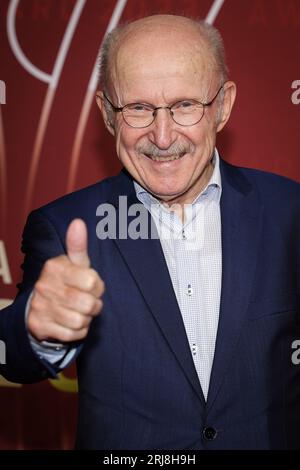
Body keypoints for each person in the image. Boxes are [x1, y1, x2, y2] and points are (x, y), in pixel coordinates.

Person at [1, 14, 300, 450]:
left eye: (184, 105)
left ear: (222, 106)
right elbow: (15, 358)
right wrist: (35, 327)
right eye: (138, 108)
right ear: (107, 113)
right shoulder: (65, 227)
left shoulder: (289, 211)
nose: (162, 137)